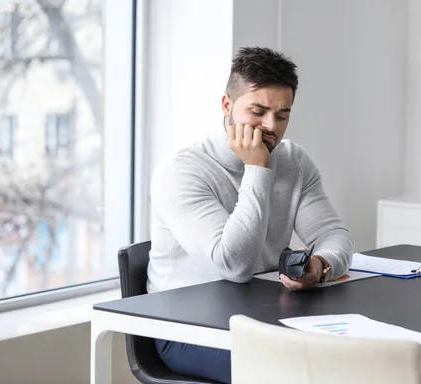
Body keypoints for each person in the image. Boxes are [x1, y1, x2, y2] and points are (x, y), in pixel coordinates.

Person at [147, 46, 354, 383]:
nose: (271, 127)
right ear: (227, 105)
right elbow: (234, 265)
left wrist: (321, 266)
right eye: (258, 111)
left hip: (264, 316)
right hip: (188, 330)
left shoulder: (294, 161)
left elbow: (334, 234)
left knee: (353, 362)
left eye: (283, 114)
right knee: (302, 374)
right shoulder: (181, 172)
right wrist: (257, 168)